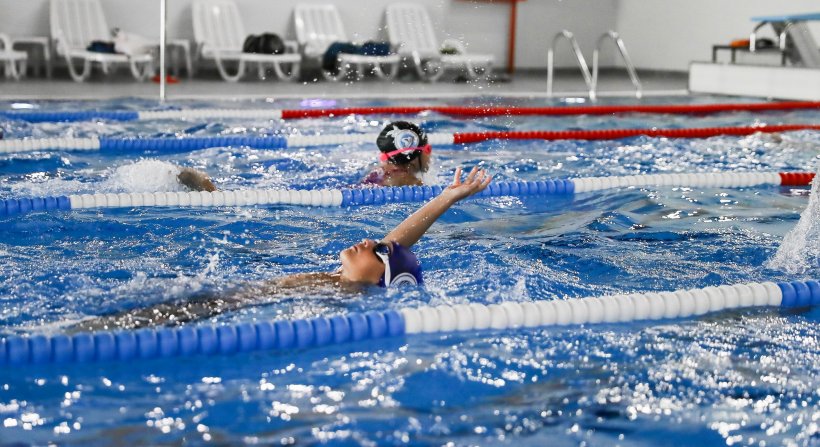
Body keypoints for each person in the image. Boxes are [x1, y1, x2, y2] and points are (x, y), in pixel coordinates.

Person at [74, 166, 491, 331]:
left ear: (380, 280)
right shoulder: (344, 282)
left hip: (214, 310)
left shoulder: (339, 298)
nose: (371, 241)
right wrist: (446, 198)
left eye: (378, 252)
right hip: (216, 300)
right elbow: (397, 244)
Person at [362, 121, 432, 187]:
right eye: (428, 149)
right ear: (413, 155)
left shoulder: (377, 172)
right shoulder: (411, 182)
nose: (430, 155)